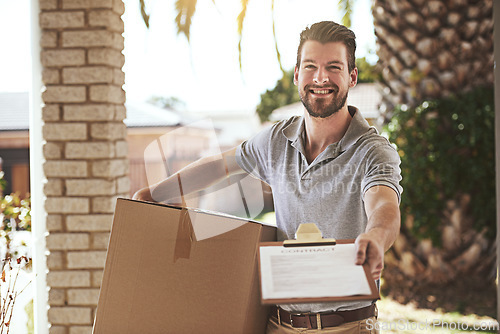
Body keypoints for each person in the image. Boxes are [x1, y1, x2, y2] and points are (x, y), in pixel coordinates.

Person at [133, 21, 402, 334]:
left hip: (347, 327)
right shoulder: (275, 141)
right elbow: (218, 166)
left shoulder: (372, 151)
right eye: (310, 66)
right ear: (297, 75)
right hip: (278, 325)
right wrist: (155, 193)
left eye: (334, 67)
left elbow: (383, 204)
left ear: (351, 76)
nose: (320, 78)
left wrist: (376, 237)